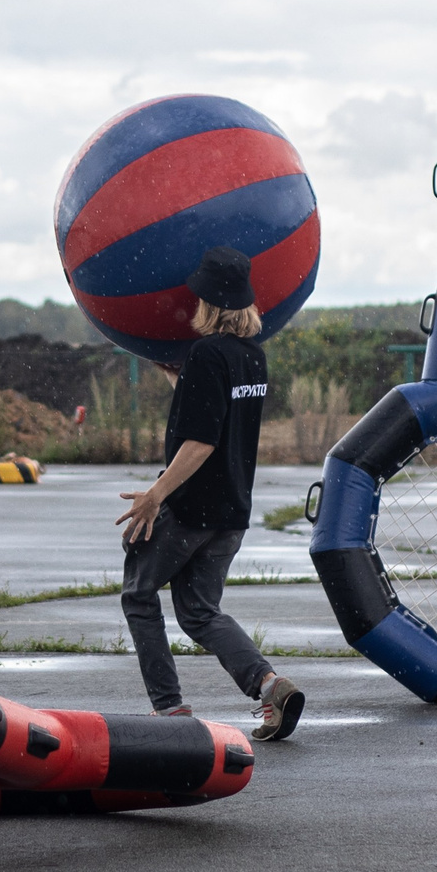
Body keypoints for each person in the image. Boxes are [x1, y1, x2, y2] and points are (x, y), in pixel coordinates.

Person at [115, 246, 305, 741]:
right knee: (200, 612)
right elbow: (218, 403)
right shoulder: (251, 358)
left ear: (210, 304)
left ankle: (170, 709)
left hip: (190, 512)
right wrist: (176, 378)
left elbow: (201, 441)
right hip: (231, 513)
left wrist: (156, 495)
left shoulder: (205, 354)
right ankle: (269, 685)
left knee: (138, 595)